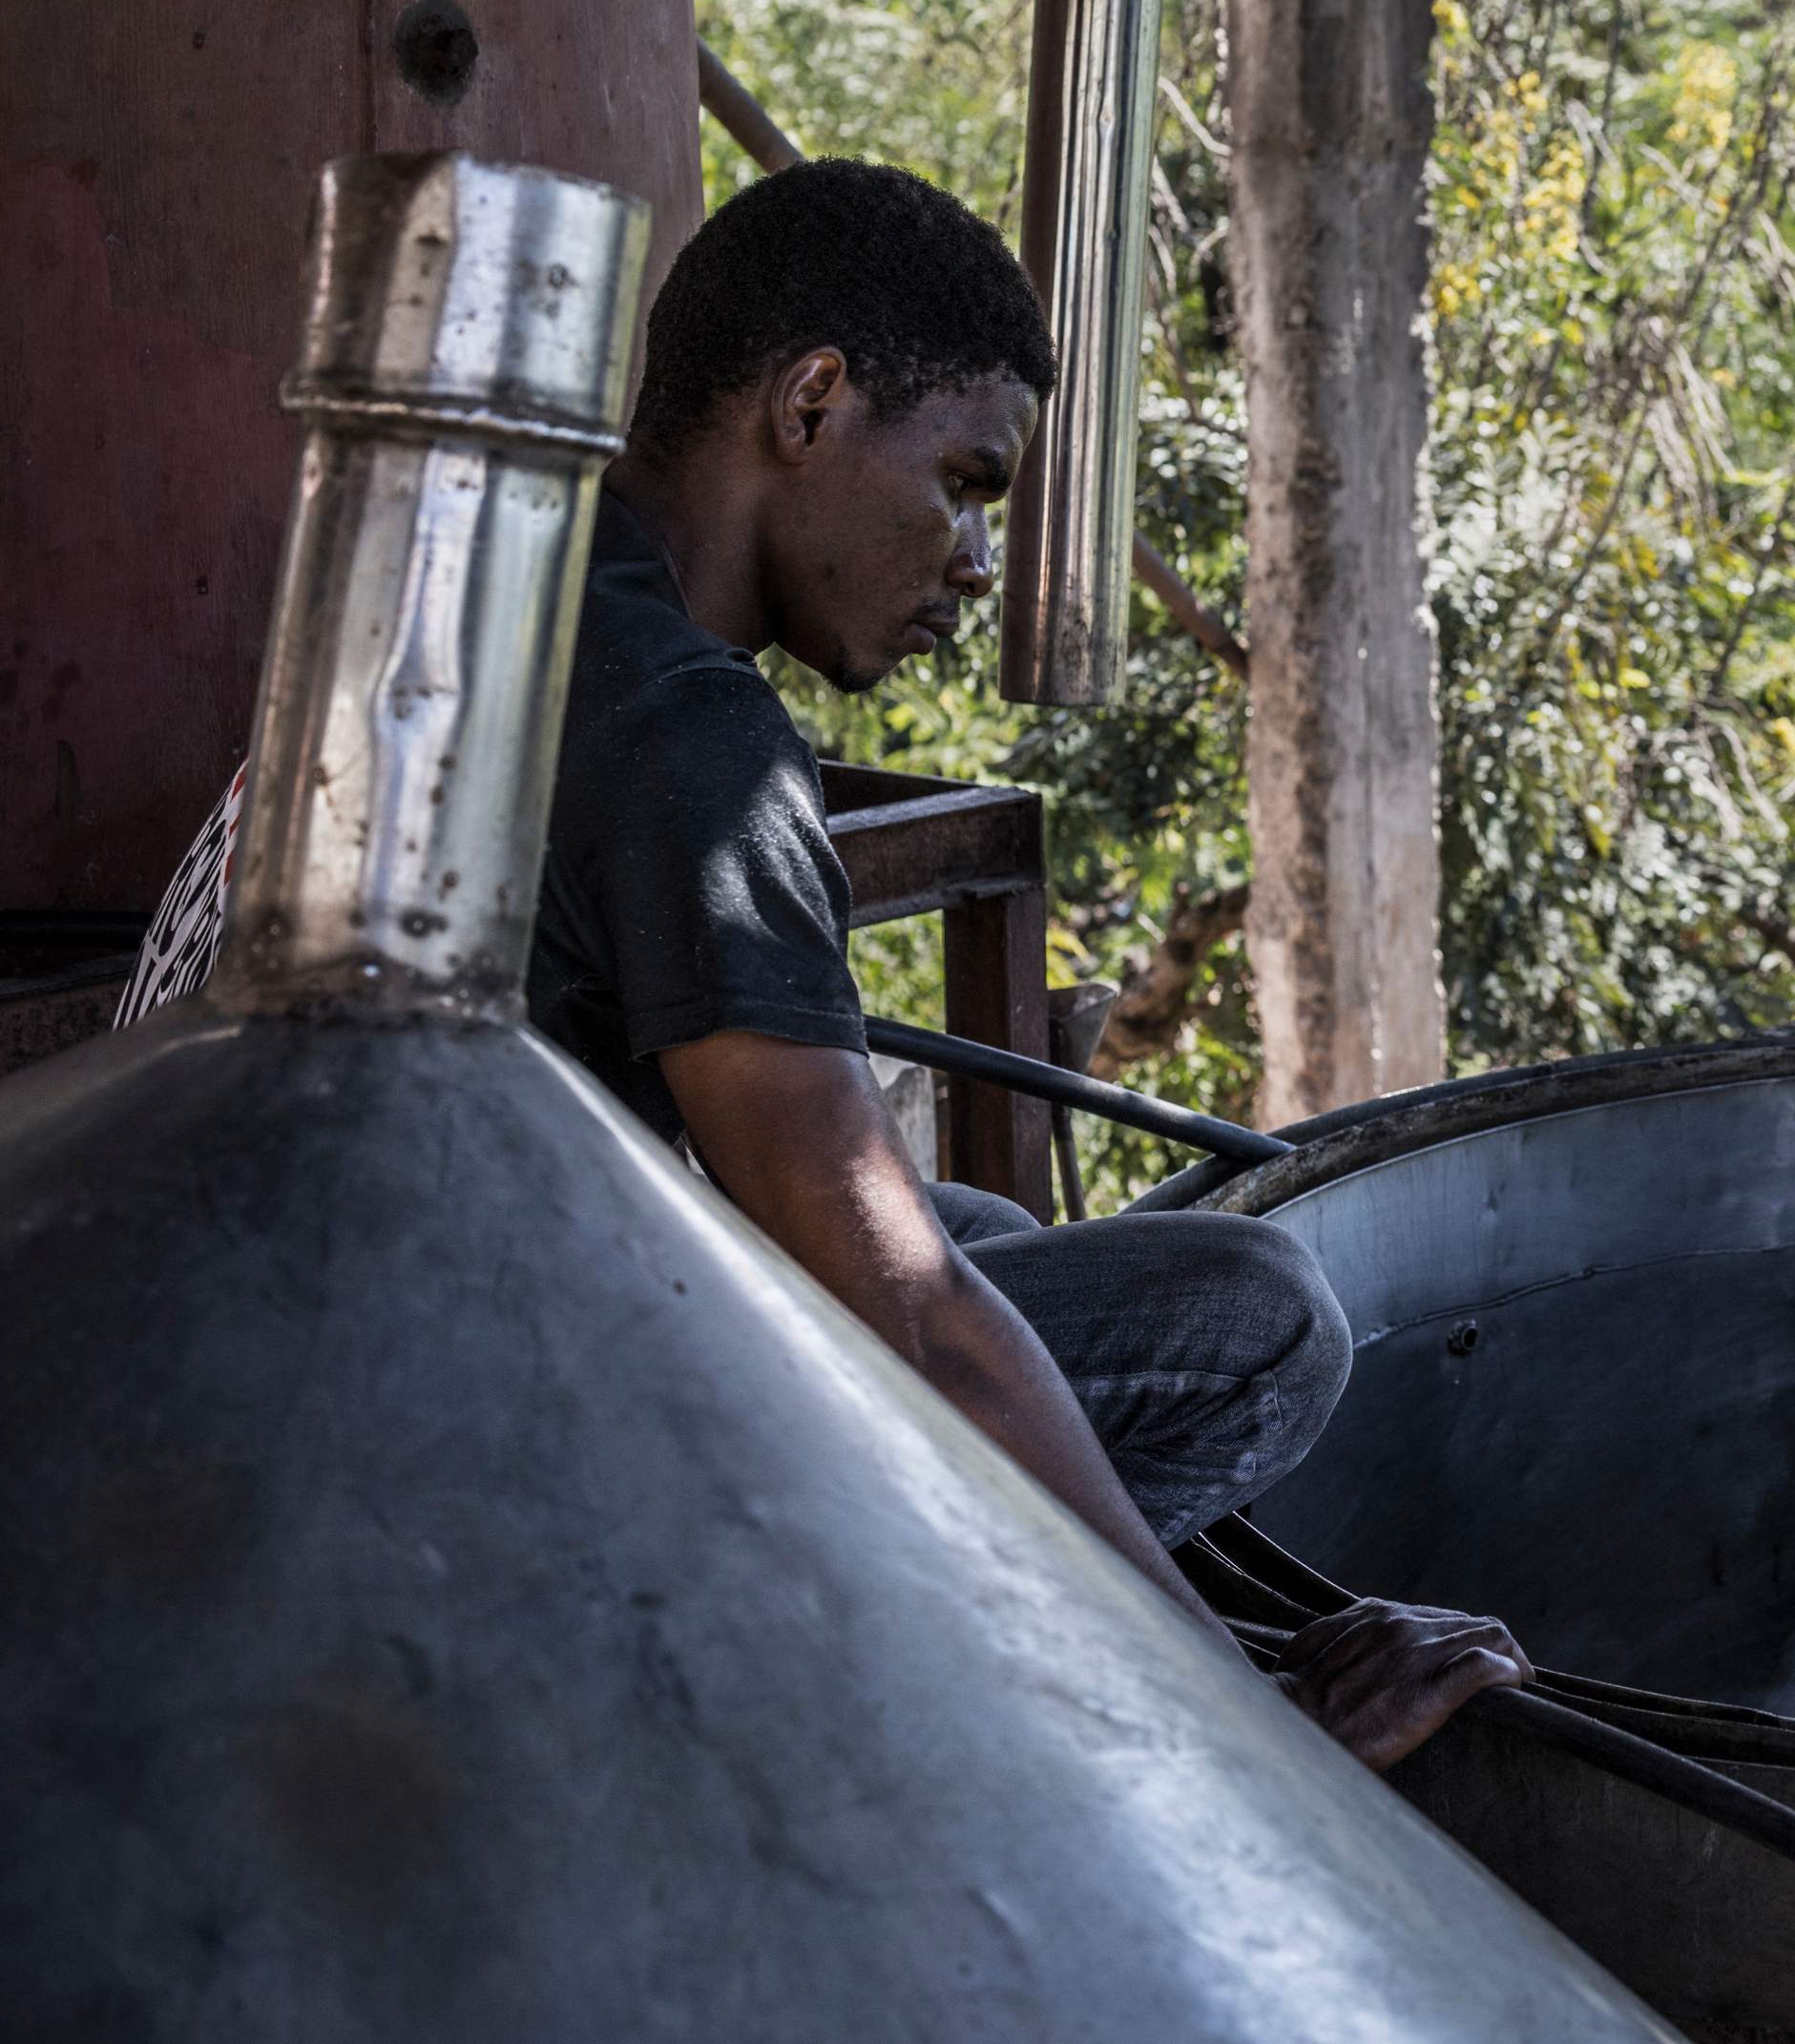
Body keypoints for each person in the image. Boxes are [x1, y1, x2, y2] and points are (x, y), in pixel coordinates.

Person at [125, 158, 1520, 1769]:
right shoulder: (693, 741)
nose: (979, 563)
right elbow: (911, 1325)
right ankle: (974, 1706)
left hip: (271, 1339)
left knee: (976, 1221)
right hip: (465, 1467)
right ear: (811, 402)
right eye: (968, 481)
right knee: (1260, 1315)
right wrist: (1251, 1718)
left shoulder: (532, 585)